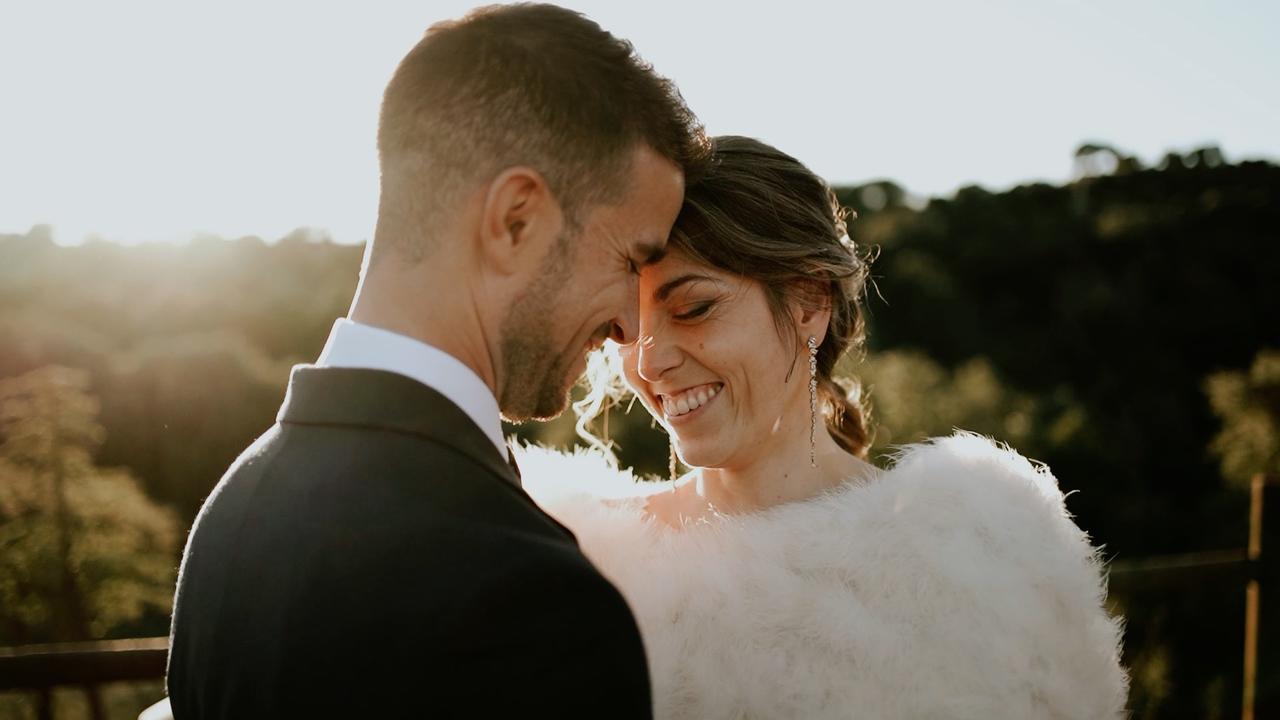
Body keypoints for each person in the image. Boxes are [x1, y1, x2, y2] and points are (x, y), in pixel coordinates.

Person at [163, 5, 707, 718]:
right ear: (516, 221)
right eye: (628, 259)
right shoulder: (538, 607)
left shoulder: (230, 521)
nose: (629, 325)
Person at [518, 135, 1129, 719]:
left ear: (810, 301)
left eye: (693, 308)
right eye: (626, 326)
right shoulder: (577, 560)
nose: (648, 362)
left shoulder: (987, 554)